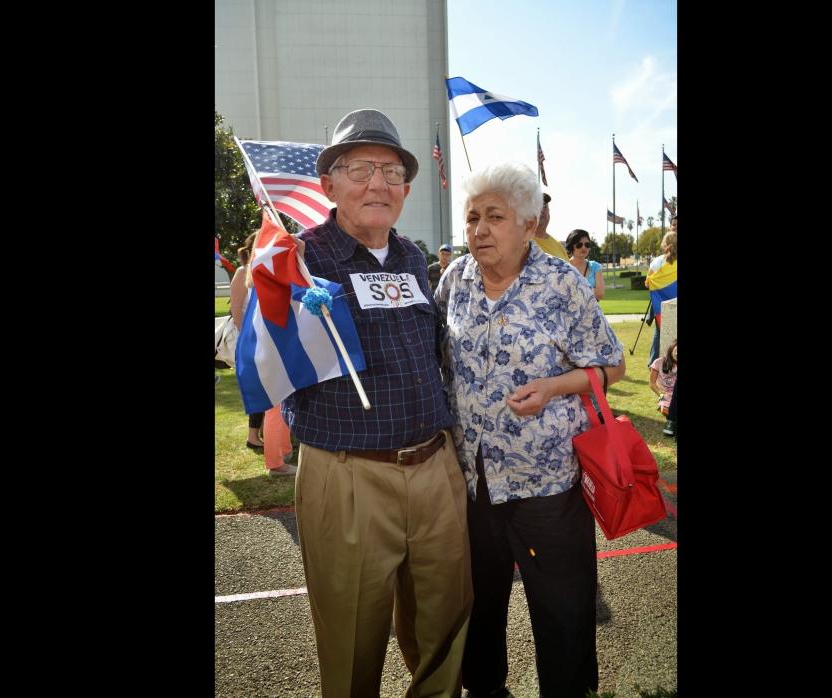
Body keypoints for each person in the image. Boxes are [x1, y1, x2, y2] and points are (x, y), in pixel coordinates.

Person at [284, 108, 472, 698]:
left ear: (407, 189)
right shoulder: (297, 259)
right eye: (360, 167)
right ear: (328, 185)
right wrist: (272, 292)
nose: (377, 183)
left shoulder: (415, 258)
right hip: (348, 475)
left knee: (445, 620)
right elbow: (257, 341)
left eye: (391, 171)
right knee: (352, 640)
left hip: (434, 466)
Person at [434, 162, 626, 698]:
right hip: (474, 484)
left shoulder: (562, 282)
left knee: (563, 613)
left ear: (528, 223)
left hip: (547, 485)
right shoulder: (455, 280)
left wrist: (554, 386)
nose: (479, 229)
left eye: (495, 216)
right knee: (479, 610)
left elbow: (612, 366)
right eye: (473, 217)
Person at [229, 232, 265, 453]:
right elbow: (236, 310)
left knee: (266, 384)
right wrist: (246, 338)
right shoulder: (243, 272)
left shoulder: (264, 271)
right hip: (250, 339)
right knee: (257, 386)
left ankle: (261, 432)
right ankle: (253, 435)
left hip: (263, 338)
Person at [646, 222, 677, 367]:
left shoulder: (657, 262)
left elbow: (648, 283)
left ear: (665, 244)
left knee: (661, 335)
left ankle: (656, 365)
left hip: (662, 308)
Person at [565, 228, 605, 300]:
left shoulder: (596, 267)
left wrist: (574, 291)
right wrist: (590, 291)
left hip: (591, 310)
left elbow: (599, 294)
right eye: (579, 245)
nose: (583, 247)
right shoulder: (564, 267)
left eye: (587, 244)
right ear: (571, 246)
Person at [650, 338, 678, 434]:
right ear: (672, 348)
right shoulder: (659, 362)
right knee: (666, 409)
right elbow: (652, 383)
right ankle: (671, 421)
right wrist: (660, 394)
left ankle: (671, 422)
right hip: (666, 395)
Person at [531, 192, 569, 260]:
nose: (541, 210)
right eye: (537, 206)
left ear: (549, 211)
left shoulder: (559, 247)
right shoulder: (519, 243)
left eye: (545, 206)